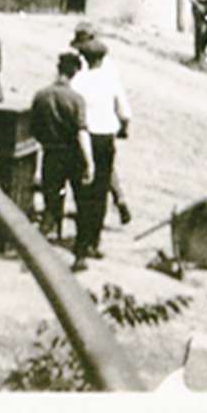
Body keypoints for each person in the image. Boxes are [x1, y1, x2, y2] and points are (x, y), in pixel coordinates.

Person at [67, 32, 131, 264]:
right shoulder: (111, 81)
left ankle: (81, 245)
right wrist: (123, 128)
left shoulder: (77, 82)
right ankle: (94, 241)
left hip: (83, 138)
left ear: (83, 57)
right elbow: (125, 113)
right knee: (101, 191)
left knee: (83, 191)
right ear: (102, 59)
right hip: (105, 140)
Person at [27, 51, 93, 246]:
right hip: (72, 155)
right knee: (81, 201)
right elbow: (82, 132)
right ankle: (80, 250)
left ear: (58, 69)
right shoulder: (76, 99)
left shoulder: (41, 95)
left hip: (50, 154)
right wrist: (89, 161)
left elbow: (33, 128)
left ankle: (47, 239)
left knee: (52, 199)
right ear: (74, 73)